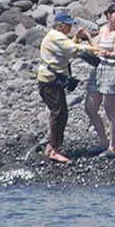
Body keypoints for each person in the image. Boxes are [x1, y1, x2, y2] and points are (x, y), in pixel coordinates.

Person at [37, 11, 95, 164]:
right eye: (68, 25)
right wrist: (95, 49)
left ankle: (51, 146)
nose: (70, 28)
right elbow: (72, 49)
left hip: (51, 81)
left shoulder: (56, 36)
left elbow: (66, 50)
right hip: (50, 82)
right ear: (61, 25)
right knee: (59, 114)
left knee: (58, 113)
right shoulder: (55, 36)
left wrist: (76, 38)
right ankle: (55, 150)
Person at [84, 3, 115, 157]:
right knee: (90, 107)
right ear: (108, 15)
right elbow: (96, 47)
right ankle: (103, 141)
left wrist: (105, 54)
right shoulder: (102, 29)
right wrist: (88, 37)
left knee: (110, 110)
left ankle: (113, 146)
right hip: (98, 70)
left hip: (113, 70)